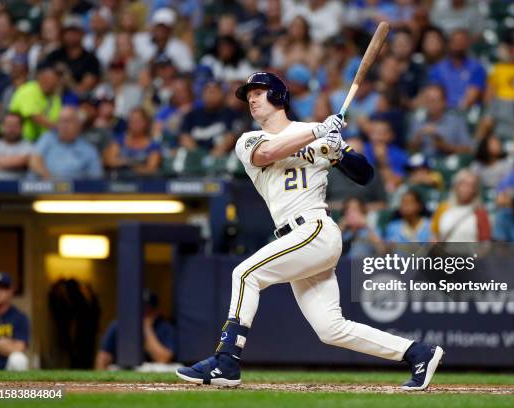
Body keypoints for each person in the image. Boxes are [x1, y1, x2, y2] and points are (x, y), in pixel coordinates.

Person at [175, 72, 444, 390]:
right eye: (249, 94)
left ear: (278, 96)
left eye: (259, 92)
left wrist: (340, 152)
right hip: (294, 237)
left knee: (246, 274)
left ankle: (226, 360)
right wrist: (318, 132)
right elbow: (269, 154)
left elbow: (365, 175)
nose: (251, 98)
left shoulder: (318, 133)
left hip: (315, 228)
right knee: (331, 329)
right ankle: (417, 353)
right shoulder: (248, 140)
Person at [95, 290, 175, 370]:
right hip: (124, 369)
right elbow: (103, 356)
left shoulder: (164, 327)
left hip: (153, 370)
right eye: (141, 308)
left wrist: (147, 328)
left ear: (156, 311)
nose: (144, 312)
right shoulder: (119, 325)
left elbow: (163, 359)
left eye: (148, 309)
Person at [29, 106, 103, 180]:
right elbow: (35, 161)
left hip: (75, 190)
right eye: (61, 121)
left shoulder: (89, 150)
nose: (64, 125)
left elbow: (95, 180)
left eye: (68, 121)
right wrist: (51, 180)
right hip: (43, 187)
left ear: (78, 125)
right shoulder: (48, 138)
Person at [431, 169, 491, 242]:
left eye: (471, 185)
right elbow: (435, 236)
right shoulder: (443, 208)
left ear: (475, 190)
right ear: (456, 186)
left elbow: (485, 243)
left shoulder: (480, 213)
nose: (466, 189)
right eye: (463, 184)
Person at [9, 63, 61, 141]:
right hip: (21, 139)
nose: (51, 84)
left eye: (55, 81)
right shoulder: (28, 90)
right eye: (47, 79)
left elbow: (58, 118)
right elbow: (36, 117)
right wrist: (61, 129)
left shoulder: (55, 97)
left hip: (44, 139)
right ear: (40, 79)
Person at [105, 108, 162, 177]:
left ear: (145, 123)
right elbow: (110, 160)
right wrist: (129, 162)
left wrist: (131, 167)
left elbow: (151, 168)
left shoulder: (153, 145)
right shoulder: (118, 139)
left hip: (142, 182)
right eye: (131, 121)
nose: (134, 124)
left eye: (138, 121)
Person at [0, 272, 29, 371]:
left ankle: (15, 387)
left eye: (2, 287)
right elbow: (12, 346)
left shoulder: (20, 317)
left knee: (19, 359)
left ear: (11, 290)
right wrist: (1, 343)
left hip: (8, 367)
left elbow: (19, 349)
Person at [0, 112, 34, 180]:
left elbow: (22, 162)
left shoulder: (29, 146)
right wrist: (12, 164)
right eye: (8, 125)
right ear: (2, 126)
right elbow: (17, 163)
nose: (12, 129)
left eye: (15, 125)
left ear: (22, 127)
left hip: (17, 188)